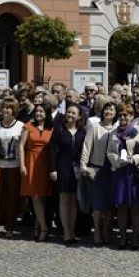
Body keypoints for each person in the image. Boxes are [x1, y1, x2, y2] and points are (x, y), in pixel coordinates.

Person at [107, 105, 139, 249]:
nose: (123, 118)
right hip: (120, 172)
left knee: (136, 206)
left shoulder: (138, 130)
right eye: (120, 115)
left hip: (134, 172)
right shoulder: (113, 132)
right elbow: (110, 152)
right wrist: (118, 161)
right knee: (122, 206)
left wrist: (135, 158)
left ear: (132, 116)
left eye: (126, 115)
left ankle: (135, 238)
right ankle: (123, 238)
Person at [81, 99, 118, 246]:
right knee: (97, 205)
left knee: (109, 204)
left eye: (112, 110)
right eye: (106, 109)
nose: (108, 112)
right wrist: (83, 165)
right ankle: (96, 231)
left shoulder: (117, 128)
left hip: (113, 169)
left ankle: (105, 231)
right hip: (97, 168)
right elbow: (87, 146)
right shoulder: (95, 127)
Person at [49, 104, 86, 245]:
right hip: (62, 168)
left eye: (73, 113)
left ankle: (72, 230)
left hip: (76, 169)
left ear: (79, 116)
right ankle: (66, 232)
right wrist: (52, 169)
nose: (70, 115)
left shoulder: (82, 132)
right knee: (64, 199)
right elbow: (52, 150)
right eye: (68, 112)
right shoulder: (59, 130)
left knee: (74, 201)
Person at [0, 98, 23, 239]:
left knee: (12, 198)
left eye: (8, 108)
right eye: (3, 108)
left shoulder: (20, 126)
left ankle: (10, 228)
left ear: (14, 110)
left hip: (14, 166)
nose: (5, 110)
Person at [19, 102, 54, 240]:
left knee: (43, 196)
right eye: (37, 111)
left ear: (46, 114)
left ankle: (37, 226)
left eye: (41, 111)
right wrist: (22, 165)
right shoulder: (28, 126)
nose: (38, 113)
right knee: (35, 196)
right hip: (31, 162)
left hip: (45, 163)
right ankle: (44, 228)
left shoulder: (51, 129)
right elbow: (21, 146)